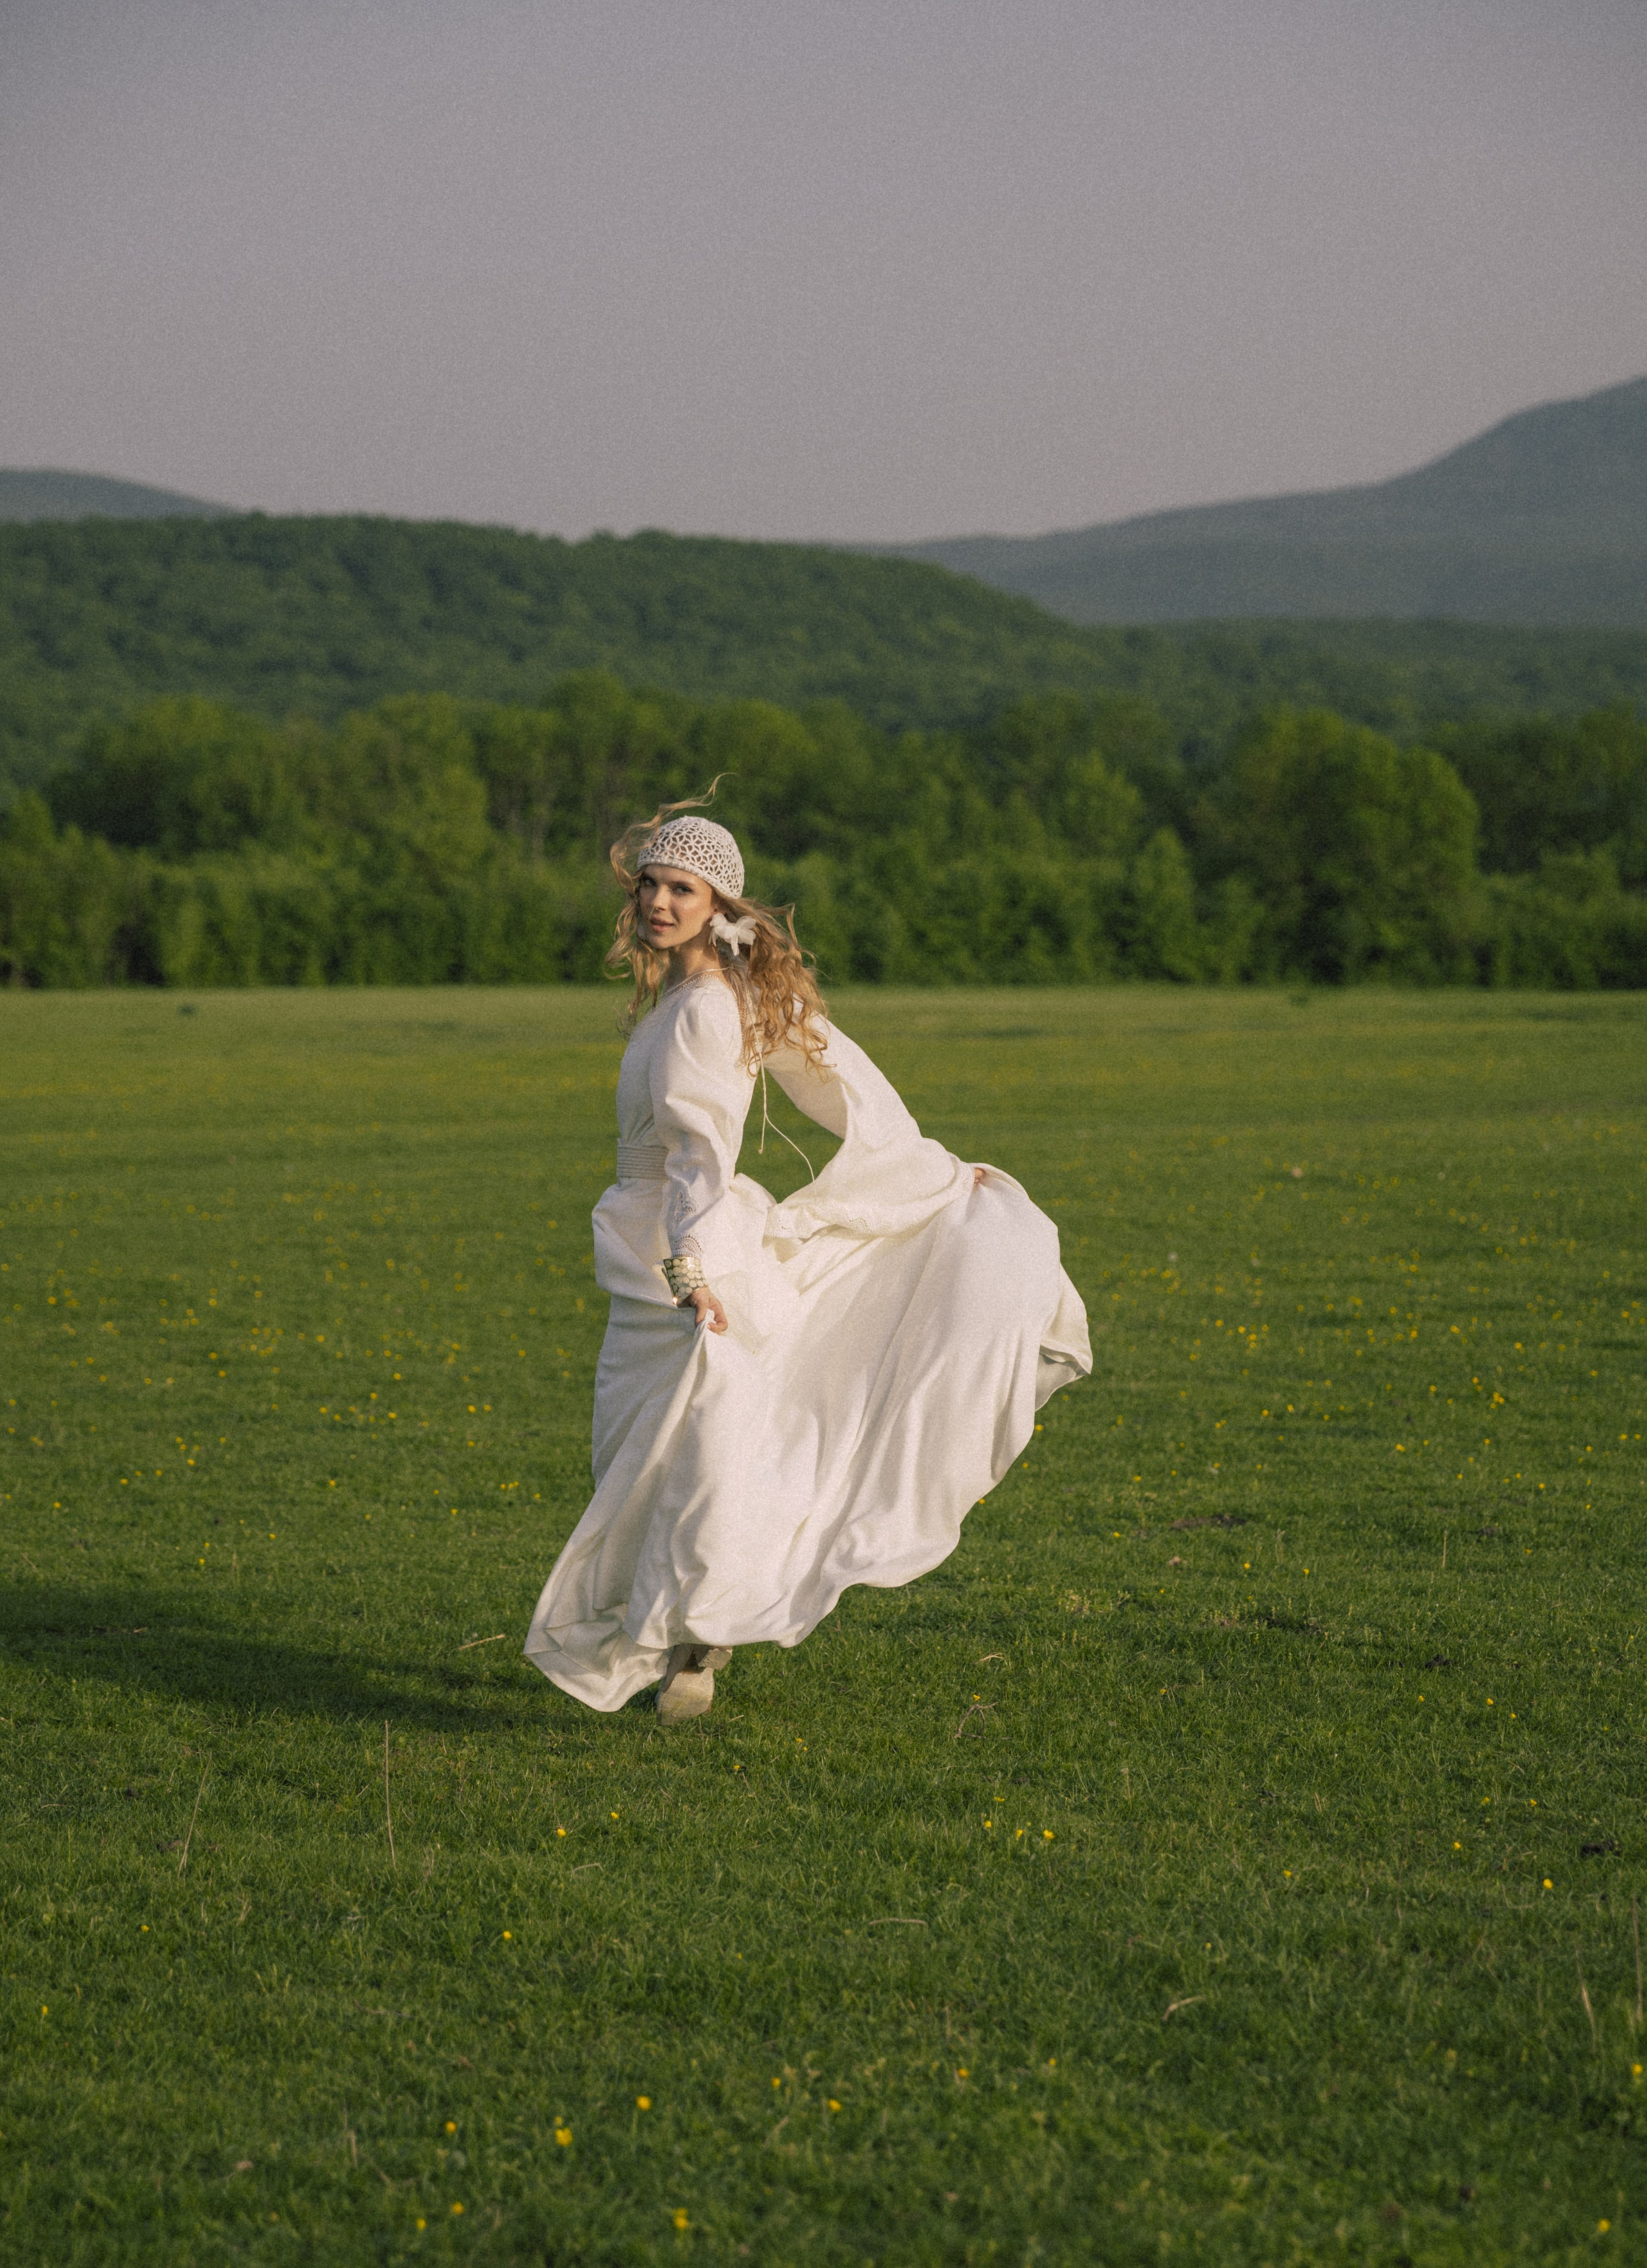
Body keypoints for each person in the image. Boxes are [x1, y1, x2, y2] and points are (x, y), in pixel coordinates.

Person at [524, 801, 1090, 1724]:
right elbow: (839, 1074)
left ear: (719, 905)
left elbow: (704, 1154)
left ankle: (698, 1638)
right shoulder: (695, 996)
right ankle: (696, 1629)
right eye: (652, 884)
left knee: (691, 1454)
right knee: (646, 1455)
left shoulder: (709, 1010)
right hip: (651, 1246)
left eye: (684, 889)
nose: (660, 901)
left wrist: (694, 1272)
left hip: (679, 1253)